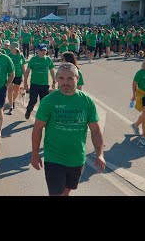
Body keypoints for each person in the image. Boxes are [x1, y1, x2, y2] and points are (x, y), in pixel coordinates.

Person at [31, 63, 105, 196]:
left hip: (77, 158)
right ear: (56, 79)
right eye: (61, 78)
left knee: (67, 190)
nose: (65, 82)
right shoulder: (48, 101)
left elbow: (95, 130)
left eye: (70, 78)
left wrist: (100, 154)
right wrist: (35, 153)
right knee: (55, 193)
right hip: (54, 158)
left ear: (77, 78)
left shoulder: (87, 101)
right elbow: (38, 128)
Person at [23, 43, 56, 120]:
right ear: (37, 50)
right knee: (33, 101)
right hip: (34, 84)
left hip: (44, 84)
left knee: (44, 102)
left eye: (44, 50)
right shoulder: (33, 60)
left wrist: (54, 81)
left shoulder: (48, 59)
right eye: (41, 50)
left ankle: (41, 117)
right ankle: (28, 110)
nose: (43, 52)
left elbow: (52, 71)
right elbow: (27, 71)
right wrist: (25, 82)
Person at [130, 52, 145, 146]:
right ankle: (144, 137)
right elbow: (134, 84)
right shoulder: (140, 73)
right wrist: (134, 95)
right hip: (143, 95)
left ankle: (135, 125)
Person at [7, 42, 27, 115]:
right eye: (11, 48)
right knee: (10, 91)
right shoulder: (8, 56)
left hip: (18, 75)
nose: (11, 49)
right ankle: (11, 107)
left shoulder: (21, 56)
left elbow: (23, 68)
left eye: (13, 48)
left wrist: (25, 78)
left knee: (16, 91)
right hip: (10, 75)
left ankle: (13, 101)